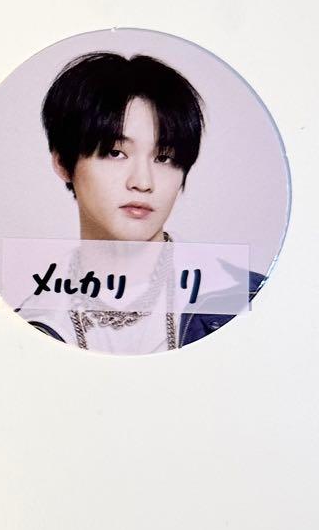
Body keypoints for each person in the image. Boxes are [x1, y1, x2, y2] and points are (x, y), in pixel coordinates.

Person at [23, 51, 264, 351]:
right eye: (115, 153)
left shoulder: (250, 301)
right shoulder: (29, 327)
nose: (143, 182)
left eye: (164, 158)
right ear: (62, 163)